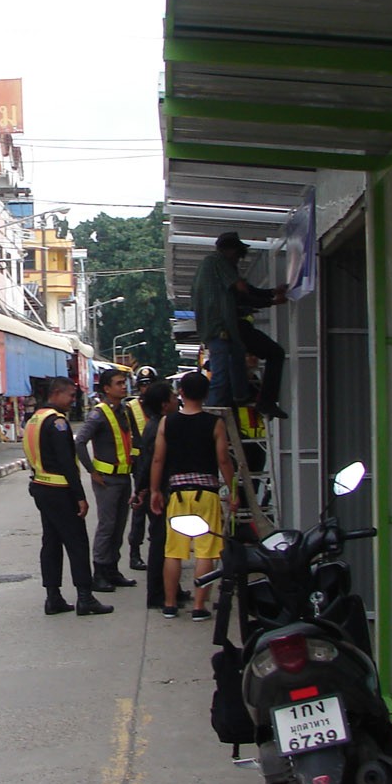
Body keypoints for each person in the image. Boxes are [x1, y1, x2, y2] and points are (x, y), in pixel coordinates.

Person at [149, 370, 236, 620]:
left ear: (182, 393)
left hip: (177, 495)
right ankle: (199, 606)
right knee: (205, 551)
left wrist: (155, 490)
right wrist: (233, 490)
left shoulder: (168, 422)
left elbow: (158, 459)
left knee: (174, 551)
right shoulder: (215, 423)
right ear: (206, 394)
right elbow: (223, 460)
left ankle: (169, 604)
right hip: (206, 495)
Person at [24, 378, 110, 617]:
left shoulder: (34, 419)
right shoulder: (57, 423)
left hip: (41, 486)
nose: (73, 401)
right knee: (77, 542)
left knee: (51, 542)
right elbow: (66, 463)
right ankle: (85, 596)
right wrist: (80, 496)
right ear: (57, 393)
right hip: (60, 490)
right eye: (71, 396)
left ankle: (53, 597)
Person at [191, 232, 288, 418]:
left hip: (227, 331)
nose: (237, 262)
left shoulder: (212, 273)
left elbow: (244, 294)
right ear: (231, 251)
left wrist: (272, 295)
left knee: (235, 362)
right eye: (237, 256)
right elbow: (243, 291)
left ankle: (242, 395)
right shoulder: (217, 261)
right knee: (222, 376)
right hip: (223, 328)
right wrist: (272, 298)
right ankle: (215, 419)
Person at [74, 368, 139, 593]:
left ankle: (112, 569)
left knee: (119, 525)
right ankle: (100, 572)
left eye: (124, 383)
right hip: (107, 480)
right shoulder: (99, 414)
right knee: (107, 526)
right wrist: (91, 470)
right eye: (119, 383)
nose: (123, 386)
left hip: (123, 477)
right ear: (106, 388)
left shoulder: (125, 411)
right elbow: (80, 442)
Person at [132, 378, 176, 609]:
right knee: (160, 541)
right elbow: (148, 462)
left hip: (156, 489)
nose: (177, 399)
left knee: (168, 541)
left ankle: (172, 588)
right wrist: (143, 490)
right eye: (172, 397)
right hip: (157, 492)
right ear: (163, 404)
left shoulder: (159, 423)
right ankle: (157, 593)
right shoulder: (157, 427)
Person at [126, 366, 162, 572]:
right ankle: (135, 553)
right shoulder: (131, 408)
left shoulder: (163, 406)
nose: (146, 388)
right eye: (143, 385)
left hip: (161, 461)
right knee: (139, 509)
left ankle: (158, 549)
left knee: (158, 509)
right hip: (140, 464)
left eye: (150, 384)